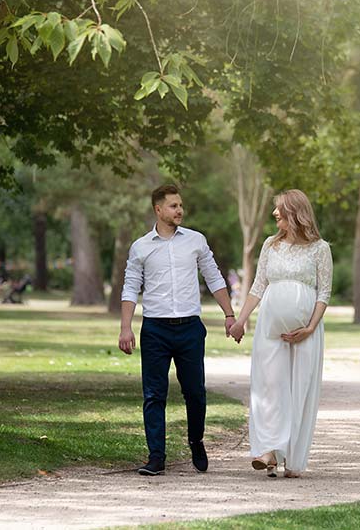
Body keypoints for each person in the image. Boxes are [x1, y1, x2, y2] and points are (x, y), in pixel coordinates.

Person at [119, 184, 237, 476]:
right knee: (153, 395)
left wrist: (230, 315)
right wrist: (125, 328)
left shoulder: (196, 241)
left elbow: (213, 276)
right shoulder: (141, 247)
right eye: (173, 206)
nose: (179, 210)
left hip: (190, 329)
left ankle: (196, 441)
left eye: (180, 205)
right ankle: (156, 456)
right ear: (158, 210)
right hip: (155, 329)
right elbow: (131, 287)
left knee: (195, 392)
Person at [229, 189, 333, 478]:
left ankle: (292, 459)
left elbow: (324, 292)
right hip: (270, 330)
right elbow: (258, 286)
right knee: (270, 386)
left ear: (296, 213)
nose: (275, 214)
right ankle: (269, 451)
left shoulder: (320, 248)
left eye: (280, 210)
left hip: (307, 333)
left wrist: (310, 327)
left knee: (299, 391)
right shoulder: (269, 245)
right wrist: (241, 321)